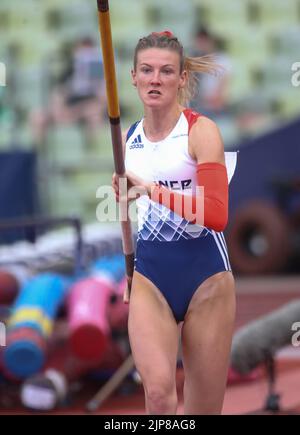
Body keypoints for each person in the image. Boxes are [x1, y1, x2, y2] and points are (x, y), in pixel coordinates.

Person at [112, 31, 236, 415]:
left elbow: (216, 213)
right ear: (133, 76)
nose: (155, 79)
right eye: (147, 71)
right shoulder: (128, 138)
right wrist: (130, 267)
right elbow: (126, 211)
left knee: (201, 412)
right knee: (160, 396)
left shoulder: (201, 131)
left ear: (182, 78)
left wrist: (150, 189)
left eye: (166, 71)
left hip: (207, 280)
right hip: (150, 279)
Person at [31, 37, 106, 148]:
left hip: (86, 110)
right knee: (37, 116)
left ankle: (91, 152)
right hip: (67, 110)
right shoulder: (69, 70)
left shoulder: (99, 71)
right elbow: (58, 94)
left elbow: (102, 99)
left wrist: (78, 110)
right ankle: (38, 152)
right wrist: (61, 109)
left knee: (94, 114)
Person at [189, 27, 232, 120]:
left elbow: (222, 89)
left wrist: (214, 100)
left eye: (203, 41)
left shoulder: (222, 60)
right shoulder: (196, 61)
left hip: (215, 109)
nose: (201, 45)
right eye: (199, 42)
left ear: (210, 41)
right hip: (200, 107)